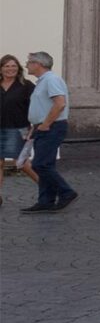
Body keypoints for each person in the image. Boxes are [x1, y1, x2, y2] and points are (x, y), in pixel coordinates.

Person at [24, 53, 74, 212]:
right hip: (42, 126)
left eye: (29, 62)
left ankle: (66, 191)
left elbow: (60, 103)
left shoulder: (51, 80)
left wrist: (45, 124)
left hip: (52, 126)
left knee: (41, 164)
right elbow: (43, 106)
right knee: (46, 163)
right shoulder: (43, 81)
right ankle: (46, 200)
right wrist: (36, 126)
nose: (26, 65)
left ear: (38, 63)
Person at [0, 55, 30, 208]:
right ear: (1, 69)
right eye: (6, 66)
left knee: (22, 163)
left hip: (18, 127)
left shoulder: (26, 85)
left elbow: (37, 105)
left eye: (13, 66)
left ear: (18, 68)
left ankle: (49, 189)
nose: (10, 69)